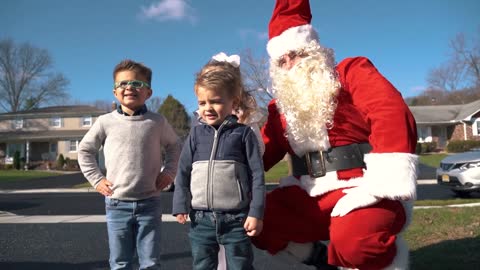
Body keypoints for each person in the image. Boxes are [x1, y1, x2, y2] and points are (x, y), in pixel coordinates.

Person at [251, 0, 419, 269]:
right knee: (255, 219)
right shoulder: (279, 109)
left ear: (313, 50)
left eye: (296, 54)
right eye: (282, 61)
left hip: (364, 187)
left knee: (356, 243)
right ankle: (316, 258)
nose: (290, 64)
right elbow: (260, 153)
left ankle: (380, 255)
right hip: (309, 194)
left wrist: (382, 184)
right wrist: (223, 162)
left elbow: (389, 112)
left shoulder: (350, 73)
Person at [78, 59, 181, 270]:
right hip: (117, 203)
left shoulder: (157, 122)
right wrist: (96, 180)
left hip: (150, 202)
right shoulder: (105, 122)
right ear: (115, 92)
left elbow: (175, 146)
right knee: (120, 262)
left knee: (150, 262)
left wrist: (169, 172)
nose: (130, 88)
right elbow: (85, 150)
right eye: (123, 84)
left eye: (137, 84)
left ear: (148, 93)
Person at [172, 52, 266, 270]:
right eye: (202, 102)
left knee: (240, 266)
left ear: (233, 102)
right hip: (200, 219)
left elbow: (257, 176)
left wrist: (256, 212)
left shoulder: (244, 134)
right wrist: (179, 204)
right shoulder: (195, 134)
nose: (208, 108)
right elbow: (183, 171)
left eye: (215, 101)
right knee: (202, 265)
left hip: (236, 219)